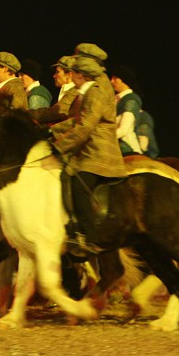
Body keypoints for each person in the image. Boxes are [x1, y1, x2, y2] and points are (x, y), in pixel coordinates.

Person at [49, 55, 127, 256]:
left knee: (77, 184)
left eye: (73, 72)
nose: (70, 75)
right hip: (88, 148)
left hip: (98, 151)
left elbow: (85, 126)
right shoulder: (87, 92)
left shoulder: (95, 93)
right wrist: (52, 132)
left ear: (80, 75)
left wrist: (59, 147)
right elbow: (77, 121)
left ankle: (90, 238)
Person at [109, 65, 144, 155]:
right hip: (114, 145)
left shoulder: (131, 99)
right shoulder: (115, 99)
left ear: (124, 80)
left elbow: (124, 129)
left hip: (126, 148)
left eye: (115, 78)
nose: (111, 81)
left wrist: (104, 139)